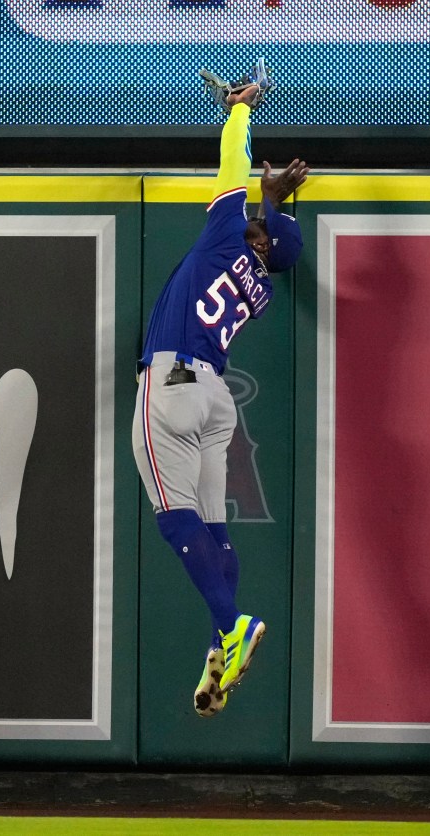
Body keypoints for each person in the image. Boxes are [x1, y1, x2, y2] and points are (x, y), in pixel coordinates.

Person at [132, 77, 309, 717]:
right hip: (215, 399)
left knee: (174, 516)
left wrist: (237, 113)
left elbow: (230, 173)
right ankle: (220, 647)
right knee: (214, 528)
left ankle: (231, 628)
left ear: (257, 241)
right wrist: (273, 202)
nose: (258, 222)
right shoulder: (258, 282)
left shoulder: (224, 241)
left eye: (262, 225)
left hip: (174, 383)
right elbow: (263, 226)